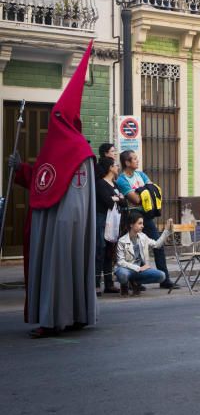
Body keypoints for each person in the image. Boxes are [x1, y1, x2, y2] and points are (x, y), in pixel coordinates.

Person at [8, 41, 97, 338]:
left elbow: (77, 194)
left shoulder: (80, 150)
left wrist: (64, 223)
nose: (52, 122)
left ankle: (60, 318)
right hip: (48, 219)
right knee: (53, 271)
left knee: (60, 269)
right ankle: (65, 315)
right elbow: (43, 178)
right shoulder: (53, 147)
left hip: (63, 224)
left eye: (57, 117)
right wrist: (20, 168)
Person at [116, 150, 177, 290]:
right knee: (133, 249)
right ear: (127, 162)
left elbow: (153, 190)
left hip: (146, 216)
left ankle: (165, 279)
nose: (138, 161)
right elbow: (136, 200)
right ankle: (135, 281)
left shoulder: (140, 174)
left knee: (157, 245)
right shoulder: (122, 180)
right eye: (134, 159)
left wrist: (141, 190)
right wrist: (145, 191)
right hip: (132, 216)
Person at [115, 210, 173, 296]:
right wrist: (139, 268)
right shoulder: (122, 241)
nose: (142, 226)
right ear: (131, 224)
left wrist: (167, 231)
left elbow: (157, 245)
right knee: (123, 274)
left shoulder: (143, 237)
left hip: (139, 271)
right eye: (139, 223)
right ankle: (125, 284)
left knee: (162, 276)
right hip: (126, 269)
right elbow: (120, 262)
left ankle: (135, 282)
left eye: (142, 223)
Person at [95, 157, 124, 295]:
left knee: (109, 252)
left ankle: (109, 284)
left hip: (114, 221)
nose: (118, 167)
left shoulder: (115, 184)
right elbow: (108, 201)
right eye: (116, 165)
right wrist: (117, 198)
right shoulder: (100, 184)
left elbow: (123, 202)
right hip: (102, 220)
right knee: (99, 251)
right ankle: (95, 284)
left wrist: (116, 198)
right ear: (110, 168)